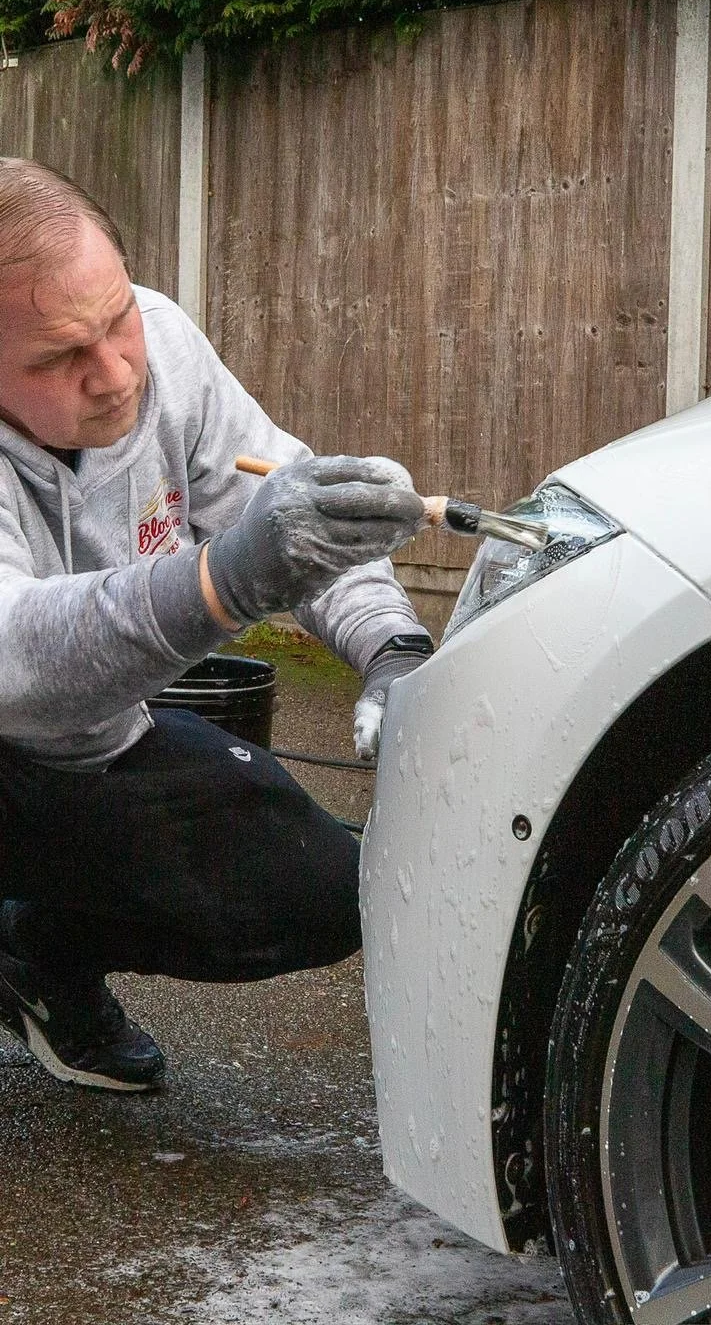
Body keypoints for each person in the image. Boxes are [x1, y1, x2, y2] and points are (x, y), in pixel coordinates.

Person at [0, 157, 434, 1092]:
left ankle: (36, 949)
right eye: (59, 357)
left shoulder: (165, 347)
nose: (115, 372)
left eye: (115, 318)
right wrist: (221, 581)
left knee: (319, 891)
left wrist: (394, 647)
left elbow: (289, 505)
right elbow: (15, 658)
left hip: (85, 742)